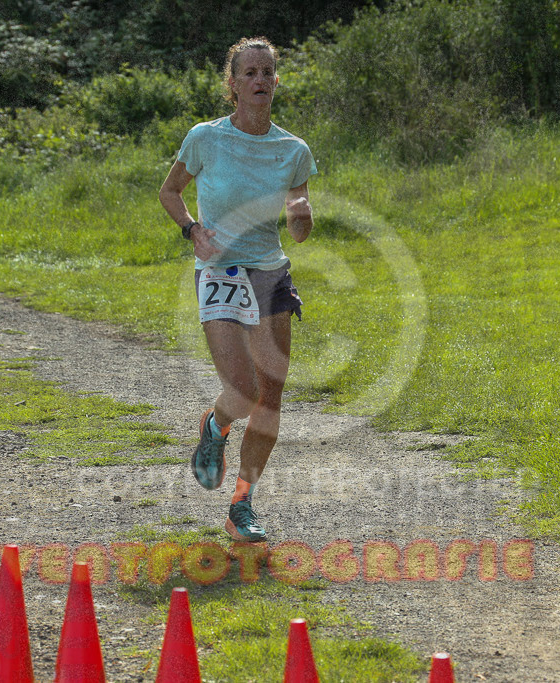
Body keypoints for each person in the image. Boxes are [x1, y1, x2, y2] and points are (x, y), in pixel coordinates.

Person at [158, 36, 316, 543]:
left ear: (276, 81)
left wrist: (301, 215)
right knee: (244, 390)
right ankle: (215, 425)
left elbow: (299, 221)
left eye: (267, 72)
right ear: (233, 84)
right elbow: (170, 192)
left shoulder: (293, 150)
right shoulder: (205, 139)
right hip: (222, 271)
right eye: (249, 73)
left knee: (269, 398)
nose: (260, 81)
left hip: (270, 273)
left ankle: (240, 506)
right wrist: (192, 230)